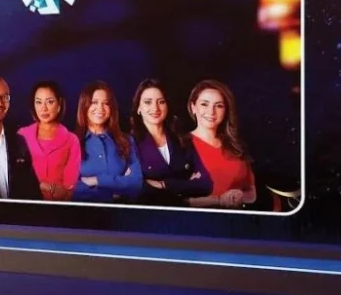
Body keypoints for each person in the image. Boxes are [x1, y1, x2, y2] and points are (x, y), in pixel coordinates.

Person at [129, 78, 211, 207]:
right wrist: (186, 184)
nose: (155, 108)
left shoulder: (182, 139)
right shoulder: (130, 143)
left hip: (183, 214)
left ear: (167, 106)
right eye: (148, 102)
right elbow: (138, 188)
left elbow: (205, 184)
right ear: (138, 108)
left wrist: (164, 184)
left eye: (161, 102)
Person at [185, 79, 257, 209]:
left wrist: (239, 197)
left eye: (219, 106)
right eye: (204, 104)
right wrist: (219, 200)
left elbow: (252, 194)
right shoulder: (181, 146)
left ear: (226, 110)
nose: (211, 112)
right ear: (193, 107)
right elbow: (180, 199)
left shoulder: (236, 146)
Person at [73, 81, 141, 203]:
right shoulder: (70, 143)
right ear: (84, 105)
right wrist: (113, 192)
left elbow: (136, 183)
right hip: (83, 212)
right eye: (94, 102)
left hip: (123, 211)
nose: (100, 108)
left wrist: (96, 180)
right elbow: (69, 187)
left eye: (106, 103)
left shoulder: (126, 141)